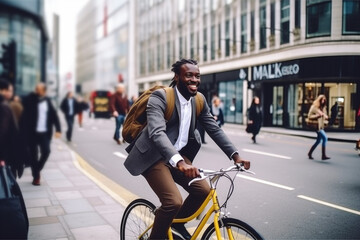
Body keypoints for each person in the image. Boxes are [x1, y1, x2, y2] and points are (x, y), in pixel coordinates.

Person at [124, 59, 250, 239]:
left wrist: (236, 156)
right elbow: (157, 133)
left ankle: (176, 226)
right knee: (173, 202)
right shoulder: (160, 97)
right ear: (177, 77)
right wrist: (180, 162)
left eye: (197, 76)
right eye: (189, 75)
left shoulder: (199, 100)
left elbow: (214, 129)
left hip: (179, 157)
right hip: (153, 157)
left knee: (203, 191)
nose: (194, 80)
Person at [20, 83, 61, 185]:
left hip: (44, 133)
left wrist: (58, 129)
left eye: (39, 89)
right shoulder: (30, 99)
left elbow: (54, 115)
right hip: (32, 133)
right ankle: (36, 177)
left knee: (46, 151)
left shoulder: (47, 101)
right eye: (36, 89)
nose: (37, 91)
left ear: (44, 91)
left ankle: (36, 169)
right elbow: (23, 100)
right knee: (33, 155)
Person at [0, 79, 25, 178]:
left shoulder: (5, 106)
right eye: (8, 90)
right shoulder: (5, 105)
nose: (10, 93)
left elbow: (3, 131)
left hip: (7, 153)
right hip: (8, 153)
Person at [307, 94, 330, 160]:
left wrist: (326, 118)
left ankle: (309, 153)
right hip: (316, 126)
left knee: (318, 141)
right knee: (325, 138)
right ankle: (323, 155)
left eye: (324, 100)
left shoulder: (323, 108)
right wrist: (317, 116)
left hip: (321, 126)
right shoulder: (314, 107)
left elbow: (324, 117)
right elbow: (309, 116)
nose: (323, 101)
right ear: (319, 100)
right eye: (321, 100)